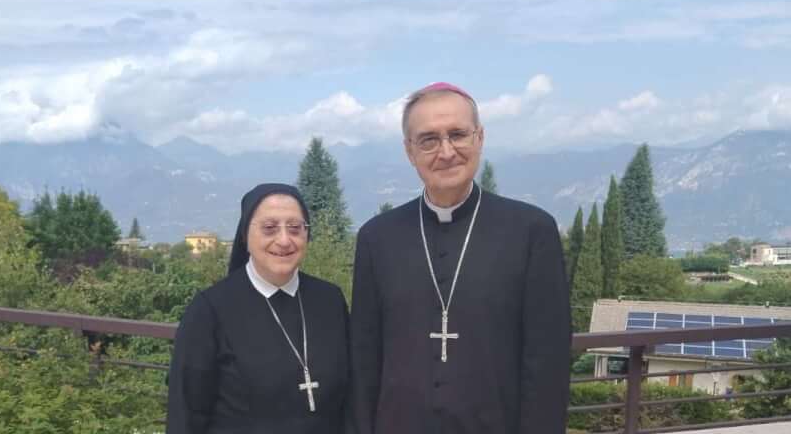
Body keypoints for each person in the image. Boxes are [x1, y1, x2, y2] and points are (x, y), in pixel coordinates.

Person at [350, 82, 571, 433]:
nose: (446, 151)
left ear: (479, 138)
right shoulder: (377, 238)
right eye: (429, 140)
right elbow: (364, 359)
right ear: (409, 151)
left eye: (457, 135)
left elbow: (547, 361)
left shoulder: (531, 231)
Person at [168, 183, 349, 434]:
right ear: (245, 235)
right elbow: (186, 414)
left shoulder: (330, 300)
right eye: (269, 228)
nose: (284, 240)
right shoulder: (209, 310)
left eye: (295, 228)